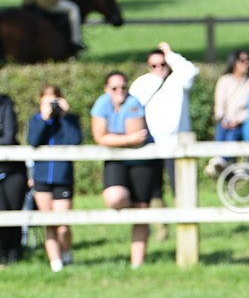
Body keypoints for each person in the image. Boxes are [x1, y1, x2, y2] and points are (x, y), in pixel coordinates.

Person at [129, 41, 198, 236]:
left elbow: (190, 70)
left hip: (176, 143)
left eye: (162, 64)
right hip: (151, 142)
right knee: (154, 189)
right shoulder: (141, 83)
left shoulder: (178, 80)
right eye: (154, 65)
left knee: (180, 186)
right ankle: (161, 229)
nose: (159, 68)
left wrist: (170, 53)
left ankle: (184, 227)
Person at [92, 72, 153, 268]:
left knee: (141, 209)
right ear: (106, 89)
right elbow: (100, 137)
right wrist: (125, 139)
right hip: (116, 160)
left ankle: (137, 264)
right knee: (114, 197)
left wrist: (114, 138)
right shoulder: (101, 104)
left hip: (141, 161)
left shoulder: (133, 103)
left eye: (123, 88)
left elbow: (137, 136)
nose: (120, 92)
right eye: (114, 88)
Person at [27, 85, 82, 272]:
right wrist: (44, 118)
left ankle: (66, 251)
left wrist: (65, 117)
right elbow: (33, 141)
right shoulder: (36, 120)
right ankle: (55, 263)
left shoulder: (70, 120)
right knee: (49, 222)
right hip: (42, 177)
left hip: (63, 177)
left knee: (63, 224)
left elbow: (75, 140)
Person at [207, 50, 249, 179]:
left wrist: (238, 120)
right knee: (223, 129)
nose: (246, 63)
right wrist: (223, 118)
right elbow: (219, 104)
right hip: (225, 120)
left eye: (248, 60)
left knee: (233, 133)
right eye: (242, 60)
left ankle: (220, 162)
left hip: (243, 121)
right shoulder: (224, 80)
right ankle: (221, 160)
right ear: (234, 62)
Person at [0, 94, 26, 265]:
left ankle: (14, 257)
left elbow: (9, 138)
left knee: (13, 212)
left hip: (12, 168)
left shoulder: (5, 103)